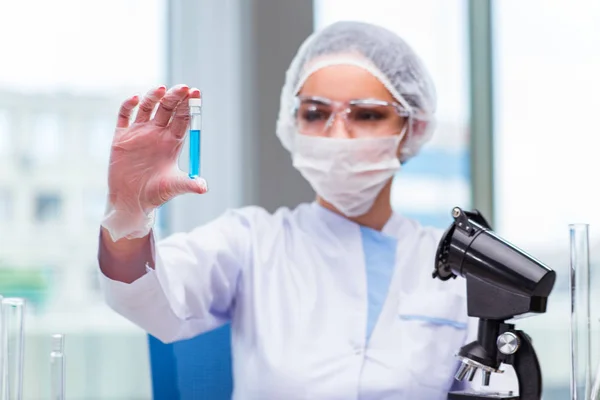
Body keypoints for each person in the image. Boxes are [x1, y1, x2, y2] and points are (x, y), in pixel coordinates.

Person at [98, 21, 504, 399]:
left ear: (411, 128)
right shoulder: (251, 241)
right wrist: (128, 213)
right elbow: (146, 299)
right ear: (292, 125)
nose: (338, 134)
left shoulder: (456, 266)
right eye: (315, 113)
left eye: (366, 115)